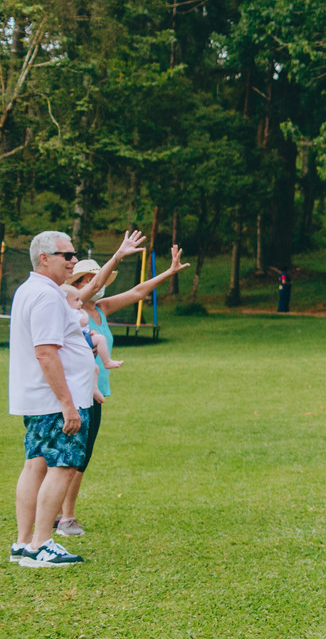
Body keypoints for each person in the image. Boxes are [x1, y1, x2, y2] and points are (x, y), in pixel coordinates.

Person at [9, 229, 143, 567]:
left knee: (35, 465)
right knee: (63, 466)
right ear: (44, 258)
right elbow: (46, 353)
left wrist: (117, 256)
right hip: (56, 402)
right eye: (66, 255)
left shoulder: (34, 291)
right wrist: (68, 404)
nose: (72, 260)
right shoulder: (46, 296)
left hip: (41, 400)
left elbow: (93, 288)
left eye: (72, 255)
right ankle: (41, 544)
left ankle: (23, 543)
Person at [55, 245, 190, 537]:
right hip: (80, 393)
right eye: (89, 279)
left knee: (78, 456)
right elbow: (96, 285)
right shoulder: (72, 307)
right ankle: (66, 518)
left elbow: (139, 292)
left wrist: (168, 272)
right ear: (78, 285)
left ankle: (55, 511)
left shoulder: (100, 310)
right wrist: (116, 256)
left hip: (95, 392)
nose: (97, 284)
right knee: (76, 459)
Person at [60, 284, 122, 402]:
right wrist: (83, 313)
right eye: (77, 300)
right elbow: (83, 322)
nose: (80, 303)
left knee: (94, 368)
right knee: (100, 339)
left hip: (82, 339)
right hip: (79, 342)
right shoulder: (72, 313)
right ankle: (107, 361)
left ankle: (94, 388)